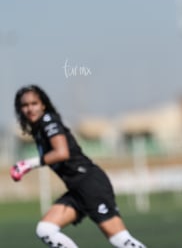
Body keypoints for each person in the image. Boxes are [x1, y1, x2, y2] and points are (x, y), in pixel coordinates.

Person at [10, 84, 146, 248]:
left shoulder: (48, 121)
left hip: (90, 184)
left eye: (34, 104)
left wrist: (28, 164)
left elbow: (62, 153)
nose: (30, 109)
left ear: (43, 105)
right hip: (77, 190)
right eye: (25, 105)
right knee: (45, 229)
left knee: (119, 239)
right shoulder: (39, 129)